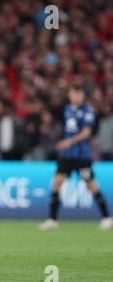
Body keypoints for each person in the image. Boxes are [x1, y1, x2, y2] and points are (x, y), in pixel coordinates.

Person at [39, 85, 112, 231]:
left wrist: (67, 142)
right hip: (66, 156)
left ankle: (106, 217)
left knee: (90, 185)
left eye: (79, 94)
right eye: (74, 94)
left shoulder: (88, 111)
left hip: (82, 157)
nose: (76, 97)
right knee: (56, 183)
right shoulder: (66, 110)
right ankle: (52, 219)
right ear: (70, 95)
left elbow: (86, 132)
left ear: (83, 96)